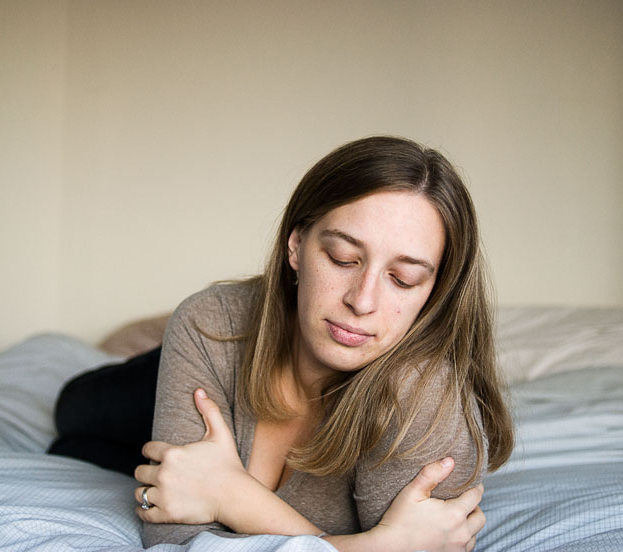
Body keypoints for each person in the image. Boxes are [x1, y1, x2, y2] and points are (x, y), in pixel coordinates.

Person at [51, 136, 514, 552]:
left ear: (436, 291)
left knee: (86, 453)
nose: (363, 301)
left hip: (229, 416)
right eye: (342, 258)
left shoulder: (426, 403)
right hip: (231, 356)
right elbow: (169, 533)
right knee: (71, 410)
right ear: (296, 246)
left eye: (403, 278)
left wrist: (229, 495)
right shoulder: (211, 321)